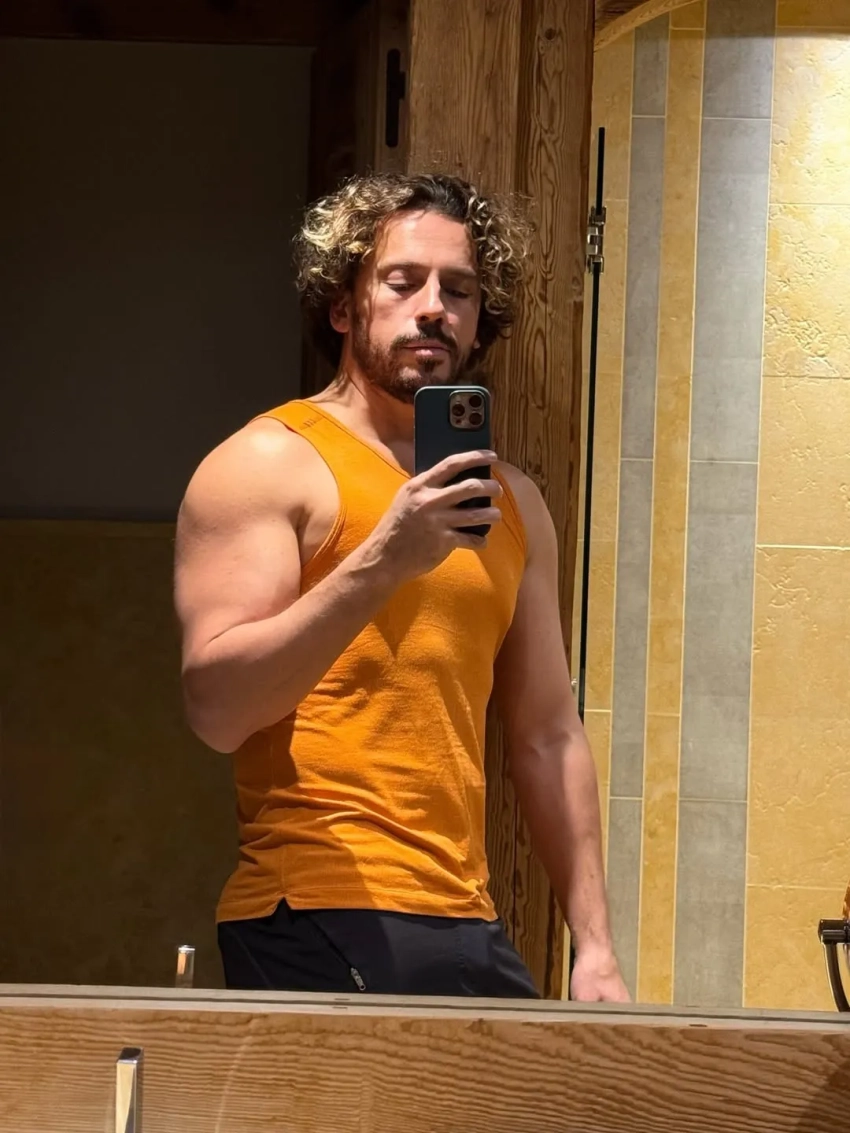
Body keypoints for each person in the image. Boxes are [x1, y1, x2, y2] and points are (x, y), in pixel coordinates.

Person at [174, 172, 629, 1002]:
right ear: (343, 306)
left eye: (458, 289)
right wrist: (385, 557)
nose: (433, 308)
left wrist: (594, 946)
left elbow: (547, 734)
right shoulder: (268, 463)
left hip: (466, 913)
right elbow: (217, 708)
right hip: (312, 902)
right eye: (402, 281)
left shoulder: (510, 502)